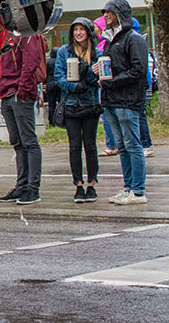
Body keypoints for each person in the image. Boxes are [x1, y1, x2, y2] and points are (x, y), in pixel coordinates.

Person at [0, 27, 46, 205]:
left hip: (18, 92)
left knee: (28, 140)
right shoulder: (5, 33)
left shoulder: (25, 32)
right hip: (7, 92)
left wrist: (22, 88)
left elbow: (31, 60)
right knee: (18, 142)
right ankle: (22, 186)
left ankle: (32, 188)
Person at [94, 0, 149, 205]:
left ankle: (138, 190)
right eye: (105, 12)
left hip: (127, 100)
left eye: (110, 12)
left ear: (120, 14)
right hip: (111, 100)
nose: (106, 15)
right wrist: (101, 72)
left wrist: (113, 82)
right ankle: (128, 187)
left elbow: (138, 70)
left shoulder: (133, 39)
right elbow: (113, 66)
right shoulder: (109, 40)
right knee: (122, 146)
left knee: (132, 144)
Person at [54, 18, 102, 203]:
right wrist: (74, 87)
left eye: (82, 29)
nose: (78, 33)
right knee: (74, 146)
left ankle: (91, 183)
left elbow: (99, 79)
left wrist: (87, 71)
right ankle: (78, 184)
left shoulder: (97, 53)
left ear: (88, 32)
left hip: (90, 104)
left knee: (90, 145)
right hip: (71, 104)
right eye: (75, 30)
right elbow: (58, 77)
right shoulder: (63, 53)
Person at [94, 16, 118, 157]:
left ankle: (112, 144)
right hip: (102, 83)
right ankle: (113, 143)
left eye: (96, 26)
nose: (94, 29)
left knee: (107, 116)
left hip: (105, 84)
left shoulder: (104, 45)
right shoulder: (101, 44)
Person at [131, 17, 154, 158]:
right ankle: (143, 143)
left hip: (141, 81)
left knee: (139, 114)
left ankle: (146, 144)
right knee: (138, 114)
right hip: (143, 80)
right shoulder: (137, 38)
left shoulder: (135, 39)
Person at [46, 47, 62, 127]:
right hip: (59, 83)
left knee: (51, 104)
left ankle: (51, 121)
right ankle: (61, 120)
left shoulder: (47, 62)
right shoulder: (60, 61)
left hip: (50, 83)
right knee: (61, 103)